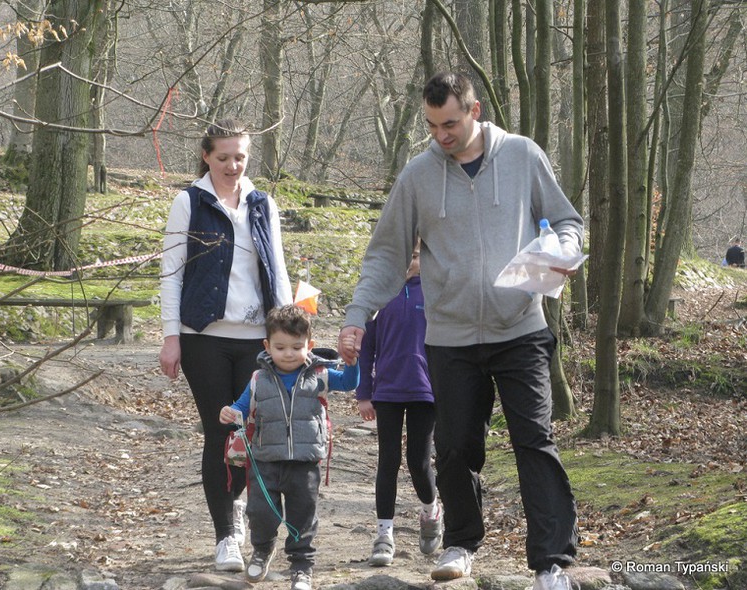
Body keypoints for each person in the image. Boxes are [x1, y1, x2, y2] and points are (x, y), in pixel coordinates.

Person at [337, 72, 582, 590]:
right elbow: (385, 254)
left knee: (534, 441)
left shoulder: (522, 156)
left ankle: (551, 564)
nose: (441, 135)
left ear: (474, 111)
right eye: (431, 125)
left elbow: (568, 221)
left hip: (520, 328)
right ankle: (461, 544)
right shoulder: (418, 176)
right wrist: (357, 316)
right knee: (452, 448)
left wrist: (564, 251)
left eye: (449, 123)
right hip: (448, 337)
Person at [159, 119, 293, 572]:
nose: (233, 165)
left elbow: (277, 266)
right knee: (221, 432)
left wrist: (293, 332)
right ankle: (224, 537)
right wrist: (170, 337)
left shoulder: (262, 204)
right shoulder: (188, 202)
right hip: (204, 339)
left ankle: (236, 510)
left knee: (250, 435)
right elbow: (171, 273)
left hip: (257, 338)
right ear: (206, 157)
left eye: (240, 157)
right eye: (223, 158)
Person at [219, 304, 360, 590]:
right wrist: (230, 412)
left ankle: (301, 566)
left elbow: (349, 383)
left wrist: (353, 362)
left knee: (303, 515)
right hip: (264, 460)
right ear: (267, 346)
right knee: (260, 512)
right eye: (280, 347)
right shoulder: (258, 379)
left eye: (297, 347)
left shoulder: (320, 375)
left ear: (310, 345)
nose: (288, 354)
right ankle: (262, 549)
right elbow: (242, 406)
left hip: (305, 461)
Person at [355, 244, 442, 567]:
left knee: (418, 461)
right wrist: (364, 392)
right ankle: (383, 535)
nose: (409, 261)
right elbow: (367, 348)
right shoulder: (380, 295)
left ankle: (431, 509)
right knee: (387, 461)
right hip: (387, 391)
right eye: (404, 254)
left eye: (415, 255)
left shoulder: (436, 293)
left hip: (425, 391)